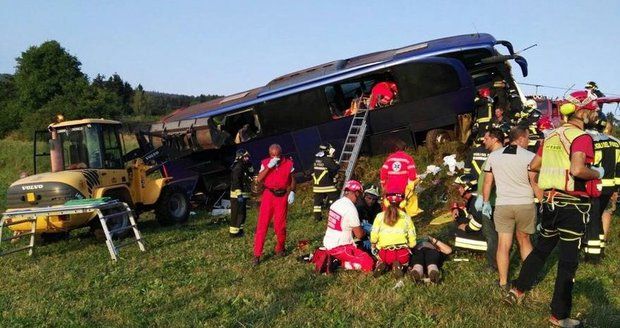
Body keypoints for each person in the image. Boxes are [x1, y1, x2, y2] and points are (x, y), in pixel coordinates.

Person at [506, 94, 604, 328]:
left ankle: (518, 289)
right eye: (594, 109)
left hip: (550, 203)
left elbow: (534, 166)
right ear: (582, 111)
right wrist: (597, 173)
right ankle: (559, 316)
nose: (596, 114)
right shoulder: (581, 137)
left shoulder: (551, 135)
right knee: (568, 262)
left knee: (541, 250)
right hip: (572, 205)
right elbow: (579, 169)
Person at [483, 126, 541, 291]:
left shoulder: (493, 156)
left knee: (503, 244)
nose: (529, 142)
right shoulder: (530, 157)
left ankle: (503, 282)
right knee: (524, 240)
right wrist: (544, 203)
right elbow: (534, 183)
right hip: (525, 204)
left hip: (503, 205)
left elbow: (488, 182)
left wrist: (486, 202)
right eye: (528, 138)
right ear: (521, 138)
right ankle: (529, 280)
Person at [253, 144, 296, 265]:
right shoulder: (265, 162)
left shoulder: (288, 163)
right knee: (263, 224)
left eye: (277, 155)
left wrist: (292, 191)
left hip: (281, 197)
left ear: (281, 154)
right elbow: (259, 179)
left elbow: (293, 179)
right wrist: (268, 167)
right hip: (268, 195)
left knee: (280, 226)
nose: (275, 157)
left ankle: (280, 248)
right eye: (273, 155)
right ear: (270, 154)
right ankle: (257, 254)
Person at [584, 118, 620, 262]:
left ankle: (592, 256)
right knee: (598, 217)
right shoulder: (616, 142)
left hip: (596, 185)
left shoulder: (593, 141)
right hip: (610, 186)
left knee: (593, 219)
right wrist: (616, 188)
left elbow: (592, 164)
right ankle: (600, 248)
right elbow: (618, 166)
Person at [323, 180, 374, 272]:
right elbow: (359, 235)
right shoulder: (351, 209)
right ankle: (341, 263)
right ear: (357, 193)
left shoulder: (336, 203)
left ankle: (336, 259)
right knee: (369, 262)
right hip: (341, 247)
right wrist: (366, 231)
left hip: (328, 242)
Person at [474, 128, 505, 270]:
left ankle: (493, 265)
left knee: (491, 235)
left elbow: (491, 181)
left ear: (495, 139)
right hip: (491, 200)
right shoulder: (495, 155)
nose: (483, 141)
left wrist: (484, 199)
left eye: (486, 138)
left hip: (492, 202)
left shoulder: (496, 156)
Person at [370, 193, 416, 278]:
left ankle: (382, 264)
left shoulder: (379, 216)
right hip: (402, 253)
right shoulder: (406, 217)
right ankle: (400, 266)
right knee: (406, 261)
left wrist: (373, 247)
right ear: (402, 203)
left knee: (382, 258)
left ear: (386, 202)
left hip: (385, 253)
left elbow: (374, 235)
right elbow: (412, 241)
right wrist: (410, 246)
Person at [452, 174, 487, 252]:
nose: (458, 190)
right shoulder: (476, 197)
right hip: (489, 229)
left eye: (459, 187)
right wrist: (456, 209)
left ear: (467, 188)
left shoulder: (476, 202)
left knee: (456, 234)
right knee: (460, 219)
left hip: (489, 237)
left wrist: (466, 228)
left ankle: (482, 249)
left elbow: (478, 222)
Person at [312, 143, 340, 221]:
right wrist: (337, 163)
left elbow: (310, 171)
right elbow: (335, 168)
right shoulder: (327, 159)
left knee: (317, 203)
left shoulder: (316, 159)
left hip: (317, 187)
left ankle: (317, 218)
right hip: (327, 185)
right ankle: (333, 214)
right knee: (335, 198)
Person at [229, 149, 254, 237]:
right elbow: (236, 182)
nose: (247, 158)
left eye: (247, 157)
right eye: (245, 157)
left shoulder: (244, 166)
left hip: (243, 195)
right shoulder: (238, 167)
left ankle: (240, 231)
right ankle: (233, 234)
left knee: (242, 214)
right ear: (240, 157)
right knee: (236, 214)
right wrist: (239, 194)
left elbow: (250, 176)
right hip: (237, 196)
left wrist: (250, 168)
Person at [356, 184, 382, 251]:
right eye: (369, 198)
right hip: (360, 234)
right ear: (364, 196)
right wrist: (364, 238)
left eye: (374, 199)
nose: (371, 201)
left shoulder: (378, 207)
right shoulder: (358, 207)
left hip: (374, 233)